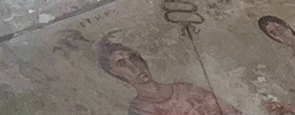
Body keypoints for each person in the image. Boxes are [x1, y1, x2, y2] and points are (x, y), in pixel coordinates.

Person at [96, 36, 241, 115]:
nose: (134, 67)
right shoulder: (140, 111)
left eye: (134, 58)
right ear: (115, 73)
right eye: (122, 64)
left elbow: (231, 111)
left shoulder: (185, 89)